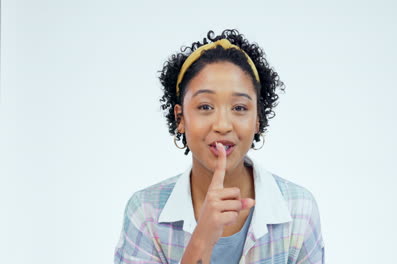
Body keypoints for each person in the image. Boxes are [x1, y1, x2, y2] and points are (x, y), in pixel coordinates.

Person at [114, 29, 325, 264]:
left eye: (239, 108)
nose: (223, 125)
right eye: (205, 106)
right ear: (180, 118)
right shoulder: (145, 213)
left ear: (258, 119)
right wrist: (201, 239)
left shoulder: (299, 210)